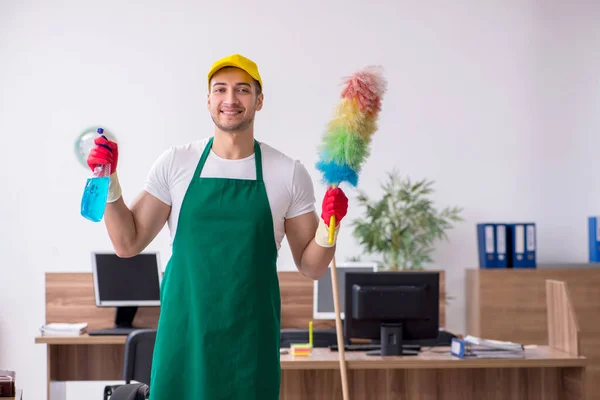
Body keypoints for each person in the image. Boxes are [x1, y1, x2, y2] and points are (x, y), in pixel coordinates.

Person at [87, 54, 349, 399]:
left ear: (259, 100)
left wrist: (329, 227)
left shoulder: (287, 172)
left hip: (250, 346)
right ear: (208, 99)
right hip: (184, 340)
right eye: (220, 89)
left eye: (242, 90)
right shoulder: (176, 163)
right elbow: (127, 242)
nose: (230, 99)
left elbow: (312, 266)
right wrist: (108, 180)